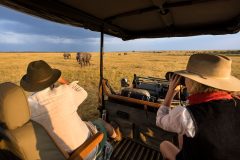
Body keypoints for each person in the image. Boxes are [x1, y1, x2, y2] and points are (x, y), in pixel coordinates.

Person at [20, 60, 120, 160]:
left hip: (60, 155)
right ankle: (116, 138)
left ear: (30, 85)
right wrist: (63, 81)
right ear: (53, 79)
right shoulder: (64, 91)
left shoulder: (27, 106)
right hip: (88, 151)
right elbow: (83, 93)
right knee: (99, 122)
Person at [156, 54, 240, 160]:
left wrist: (170, 92)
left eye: (187, 77)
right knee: (182, 135)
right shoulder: (236, 101)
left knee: (164, 145)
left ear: (193, 82)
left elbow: (160, 120)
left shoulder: (186, 115)